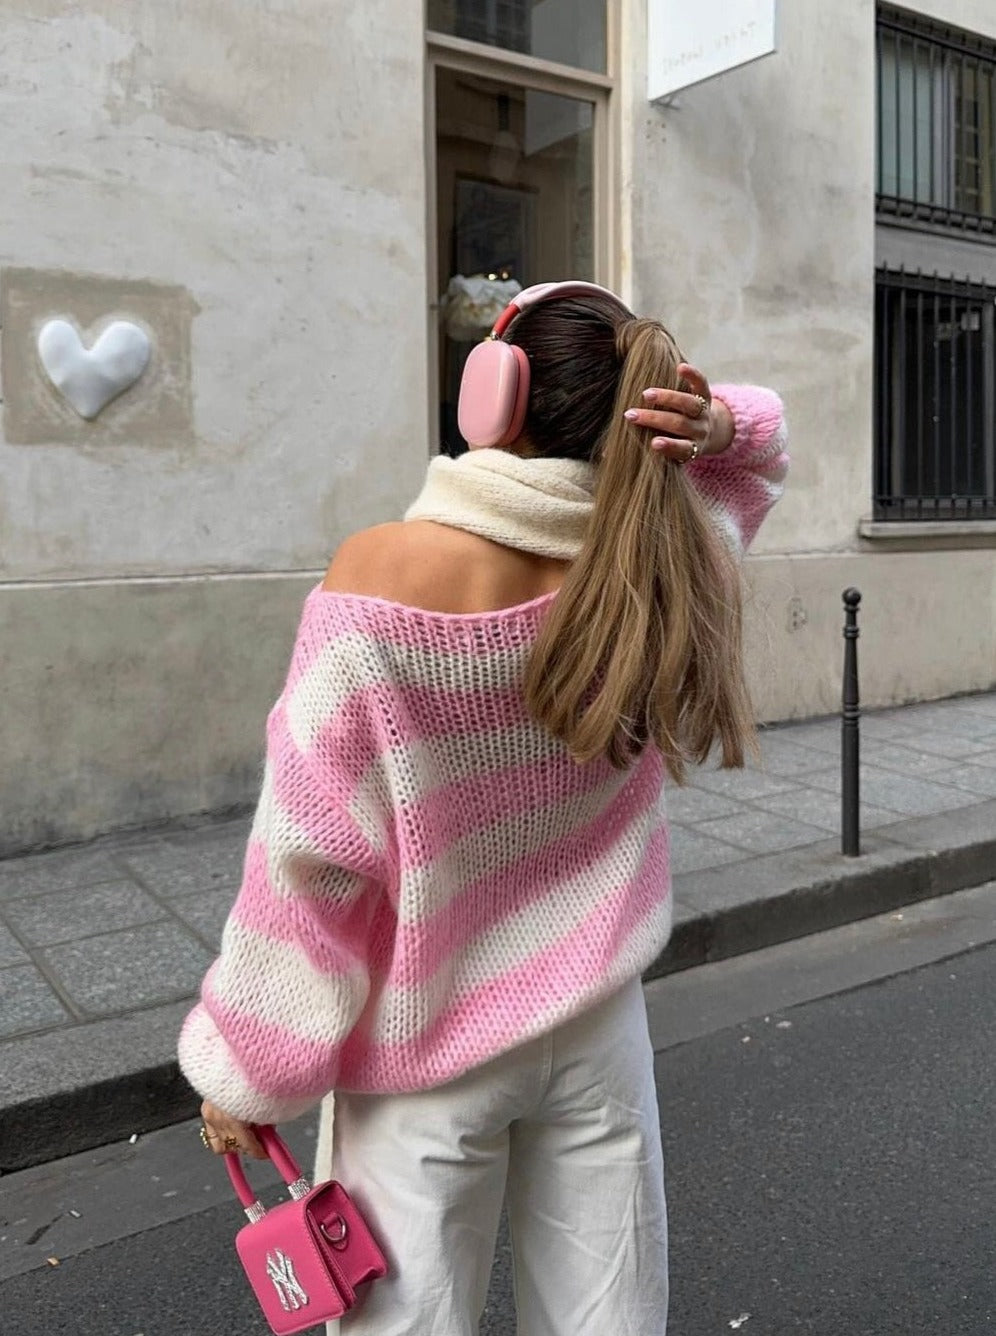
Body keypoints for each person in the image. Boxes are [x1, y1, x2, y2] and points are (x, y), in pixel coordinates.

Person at [180, 281, 789, 1335]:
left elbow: (311, 862)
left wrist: (248, 1070)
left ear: (491, 396)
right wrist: (722, 425)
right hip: (599, 1027)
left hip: (426, 1053)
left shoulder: (381, 575)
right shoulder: (670, 561)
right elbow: (760, 460)